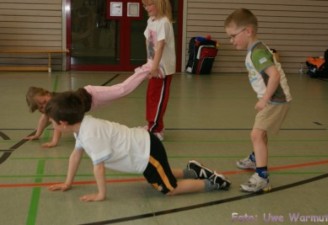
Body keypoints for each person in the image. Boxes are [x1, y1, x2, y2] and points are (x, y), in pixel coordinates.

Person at [45, 92, 231, 201]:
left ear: (62, 123)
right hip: (145, 147)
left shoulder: (90, 134)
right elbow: (75, 155)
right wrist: (68, 183)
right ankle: (194, 170)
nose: (52, 126)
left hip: (146, 152)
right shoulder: (83, 125)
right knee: (162, 173)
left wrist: (101, 194)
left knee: (169, 189)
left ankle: (213, 182)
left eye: (52, 123)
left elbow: (99, 167)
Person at [224, 8, 292, 193]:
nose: (231, 41)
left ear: (248, 31)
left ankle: (262, 177)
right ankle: (256, 158)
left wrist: (265, 99)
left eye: (233, 36)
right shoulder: (254, 50)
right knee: (260, 134)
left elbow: (274, 75)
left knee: (256, 134)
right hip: (273, 99)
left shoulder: (258, 52)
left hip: (276, 100)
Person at [25, 61, 157, 148]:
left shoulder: (55, 101)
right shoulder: (50, 107)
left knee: (121, 90)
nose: (44, 107)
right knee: (121, 92)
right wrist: (37, 134)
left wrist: (54, 142)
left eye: (43, 102)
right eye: (40, 108)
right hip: (93, 103)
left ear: (47, 93)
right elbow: (44, 119)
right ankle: (143, 74)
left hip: (93, 94)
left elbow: (56, 124)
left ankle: (145, 70)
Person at [142, 0, 176, 141]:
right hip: (154, 66)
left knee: (158, 99)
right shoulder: (152, 20)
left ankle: (156, 129)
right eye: (145, 5)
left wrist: (155, 67)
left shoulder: (164, 22)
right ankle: (153, 124)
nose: (146, 8)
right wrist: (149, 63)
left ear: (159, 4)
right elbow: (150, 43)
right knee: (151, 96)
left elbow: (160, 46)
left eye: (150, 4)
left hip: (162, 69)